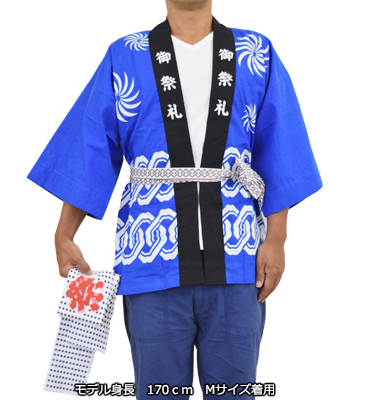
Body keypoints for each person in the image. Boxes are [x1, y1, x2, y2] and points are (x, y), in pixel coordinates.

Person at [27, 0, 323, 398]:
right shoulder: (125, 55)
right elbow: (91, 145)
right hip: (151, 261)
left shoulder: (256, 53)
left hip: (238, 262)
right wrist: (64, 234)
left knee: (235, 393)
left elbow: (280, 148)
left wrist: (277, 238)